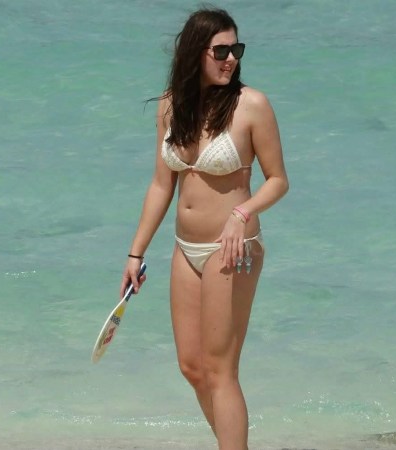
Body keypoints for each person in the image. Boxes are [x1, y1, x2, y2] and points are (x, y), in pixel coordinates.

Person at [120, 7, 289, 450]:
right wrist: (136, 252)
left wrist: (242, 213)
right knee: (192, 367)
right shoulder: (171, 106)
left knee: (220, 370)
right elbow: (162, 184)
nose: (231, 59)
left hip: (232, 248)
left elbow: (278, 181)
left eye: (236, 49)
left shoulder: (252, 105)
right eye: (221, 50)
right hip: (185, 249)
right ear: (196, 52)